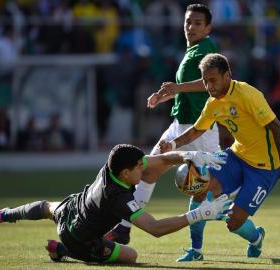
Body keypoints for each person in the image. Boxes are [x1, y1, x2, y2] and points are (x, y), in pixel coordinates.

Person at [112, 4, 233, 262]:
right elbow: (187, 90)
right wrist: (166, 94)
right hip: (181, 124)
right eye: (188, 22)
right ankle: (123, 230)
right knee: (146, 171)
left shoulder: (206, 48)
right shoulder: (191, 51)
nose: (191, 27)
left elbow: (208, 83)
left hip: (198, 130)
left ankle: (244, 221)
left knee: (214, 188)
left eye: (197, 23)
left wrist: (176, 88)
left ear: (208, 28)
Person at [160, 53, 280, 259]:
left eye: (213, 80)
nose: (209, 86)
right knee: (200, 189)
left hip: (265, 168)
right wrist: (172, 144)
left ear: (227, 75)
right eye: (205, 81)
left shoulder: (248, 94)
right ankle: (196, 250)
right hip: (237, 155)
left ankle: (256, 238)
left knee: (234, 223)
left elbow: (278, 129)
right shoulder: (213, 103)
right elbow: (196, 130)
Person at [0, 144, 230, 264]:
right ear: (126, 172)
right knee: (131, 256)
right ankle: (66, 252)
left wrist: (187, 155)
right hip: (80, 239)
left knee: (46, 207)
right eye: (139, 167)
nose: (143, 168)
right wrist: (198, 214)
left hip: (72, 208)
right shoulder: (120, 200)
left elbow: (156, 161)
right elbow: (156, 229)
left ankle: (4, 214)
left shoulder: (112, 166)